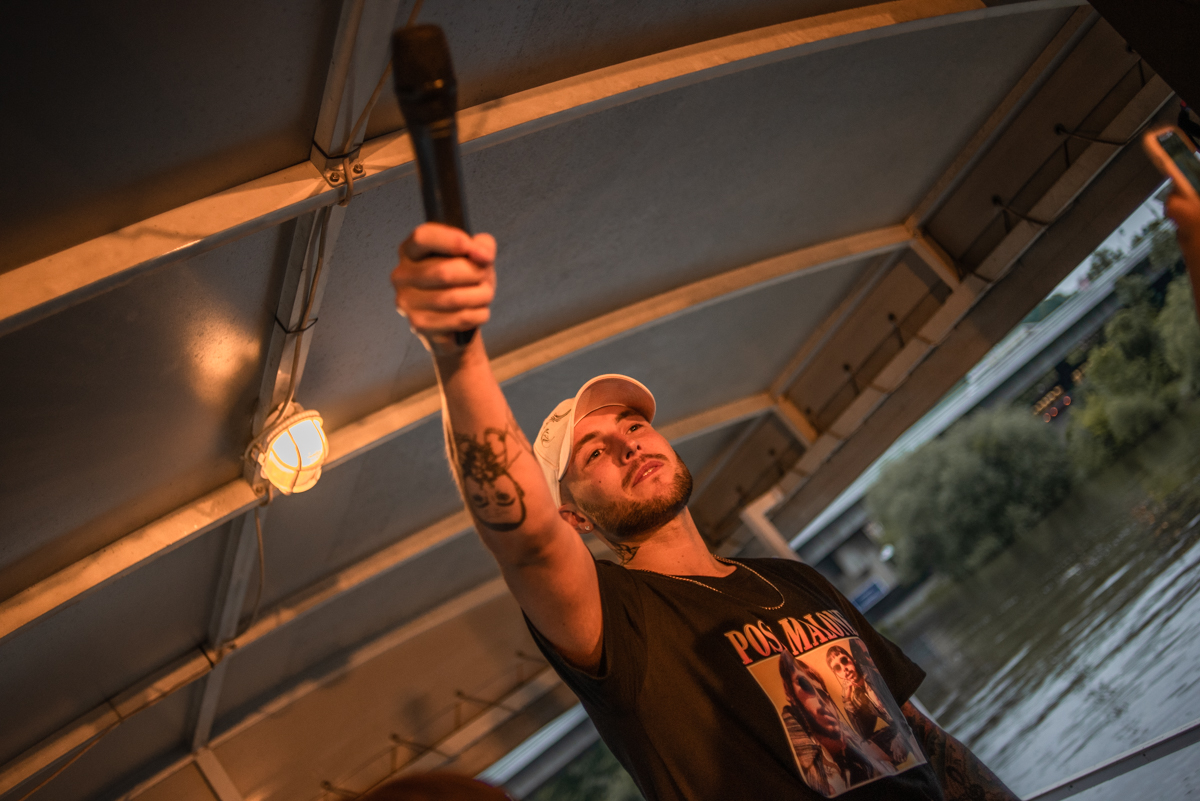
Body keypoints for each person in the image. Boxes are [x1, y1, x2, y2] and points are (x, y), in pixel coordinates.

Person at [391, 222, 1020, 800]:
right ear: (575, 517)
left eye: (633, 424)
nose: (628, 444)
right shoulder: (618, 621)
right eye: (594, 452)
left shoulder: (796, 580)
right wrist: (457, 354)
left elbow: (920, 736)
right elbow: (527, 539)